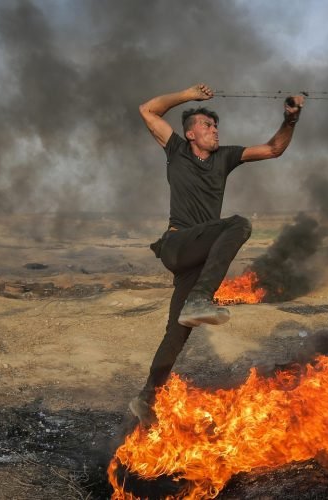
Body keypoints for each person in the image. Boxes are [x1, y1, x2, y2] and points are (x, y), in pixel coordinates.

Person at [129, 83, 304, 426]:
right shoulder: (176, 149)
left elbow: (273, 149)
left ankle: (146, 397)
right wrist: (187, 96)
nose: (214, 130)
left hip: (198, 253)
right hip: (178, 244)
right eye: (206, 126)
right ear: (190, 133)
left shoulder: (225, 156)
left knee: (177, 333)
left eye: (215, 126)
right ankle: (200, 299)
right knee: (238, 224)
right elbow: (147, 110)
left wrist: (291, 120)